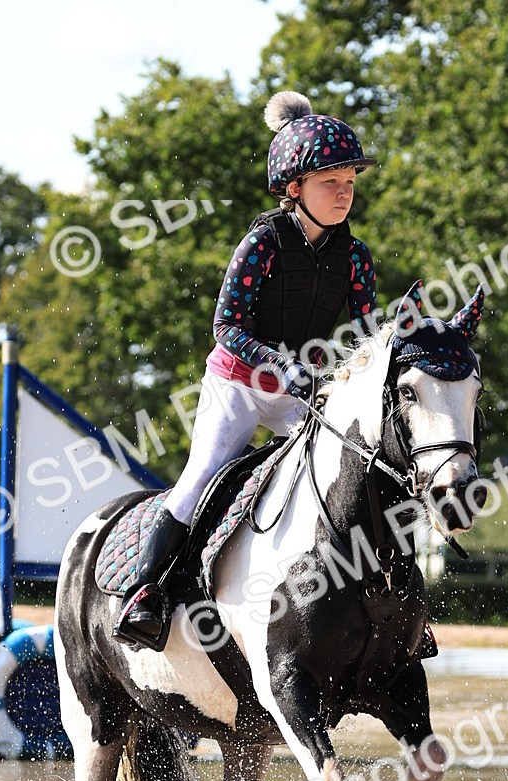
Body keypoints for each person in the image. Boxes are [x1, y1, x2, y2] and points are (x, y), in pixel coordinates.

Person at [115, 91, 379, 648]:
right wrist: (279, 363)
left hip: (295, 393)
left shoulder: (355, 257)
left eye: (350, 182)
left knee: (356, 467)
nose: (344, 193)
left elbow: (364, 333)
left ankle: (387, 598)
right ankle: (147, 595)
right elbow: (227, 326)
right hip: (237, 383)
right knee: (202, 476)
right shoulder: (262, 241)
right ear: (294, 189)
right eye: (330, 182)